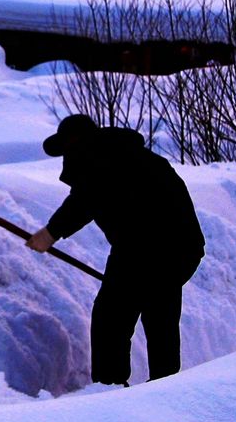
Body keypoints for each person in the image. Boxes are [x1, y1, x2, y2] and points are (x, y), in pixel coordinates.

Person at [27, 114, 204, 386]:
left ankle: (114, 391)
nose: (66, 159)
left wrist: (50, 233)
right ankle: (159, 390)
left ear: (79, 144)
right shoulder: (119, 154)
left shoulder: (106, 160)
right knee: (155, 320)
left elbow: (85, 198)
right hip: (166, 248)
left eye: (67, 150)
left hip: (155, 247)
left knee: (113, 320)